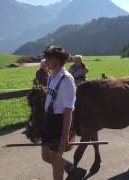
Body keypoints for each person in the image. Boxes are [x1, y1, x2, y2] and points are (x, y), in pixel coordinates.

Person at [41, 46, 86, 180]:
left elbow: (68, 110)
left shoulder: (66, 80)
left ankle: (71, 172)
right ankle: (73, 170)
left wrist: (65, 135)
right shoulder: (51, 77)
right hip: (48, 121)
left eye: (50, 58)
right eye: (47, 57)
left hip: (59, 123)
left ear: (58, 60)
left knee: (55, 160)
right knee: (46, 157)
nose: (46, 60)